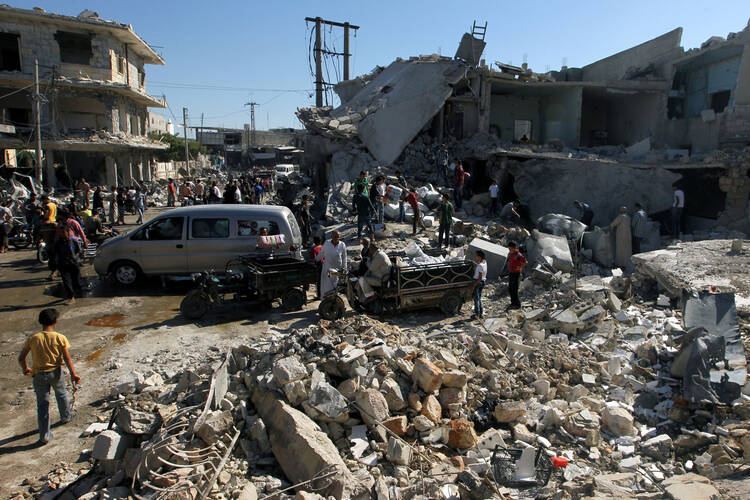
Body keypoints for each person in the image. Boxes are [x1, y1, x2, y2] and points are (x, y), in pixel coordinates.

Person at [17, 308, 80, 444]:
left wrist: (25, 369)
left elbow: (21, 358)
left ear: (41, 321)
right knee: (61, 394)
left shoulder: (33, 338)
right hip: (56, 373)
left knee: (43, 404)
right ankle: (65, 417)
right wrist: (73, 374)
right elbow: (67, 358)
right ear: (56, 320)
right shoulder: (60, 337)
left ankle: (44, 435)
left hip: (39, 375)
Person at [55, 230, 83, 303]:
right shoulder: (57, 243)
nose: (62, 234)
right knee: (66, 281)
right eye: (60, 233)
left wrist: (76, 259)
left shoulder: (73, 241)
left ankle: (79, 290)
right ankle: (71, 296)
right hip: (63, 264)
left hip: (73, 263)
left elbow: (78, 250)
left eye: (63, 232)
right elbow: (56, 253)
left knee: (76, 279)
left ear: (67, 232)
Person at [316, 230, 346, 297]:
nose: (337, 239)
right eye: (335, 237)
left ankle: (334, 300)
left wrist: (344, 268)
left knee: (335, 285)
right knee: (327, 285)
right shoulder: (327, 243)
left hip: (337, 269)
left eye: (338, 237)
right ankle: (326, 300)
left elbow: (344, 258)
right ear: (331, 237)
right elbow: (322, 253)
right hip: (327, 269)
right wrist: (316, 259)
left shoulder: (342, 245)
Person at [506, 241, 526, 310]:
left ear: (515, 248)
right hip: (511, 273)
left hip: (516, 273)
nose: (510, 250)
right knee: (510, 289)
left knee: (514, 289)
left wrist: (520, 267)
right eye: (509, 249)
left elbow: (525, 262)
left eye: (511, 249)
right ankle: (513, 303)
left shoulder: (518, 255)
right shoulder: (511, 254)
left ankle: (517, 304)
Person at [470, 250, 487, 319]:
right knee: (479, 298)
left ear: (479, 257)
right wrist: (475, 264)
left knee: (476, 299)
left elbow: (479, 278)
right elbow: (481, 268)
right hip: (482, 282)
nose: (476, 257)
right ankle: (481, 313)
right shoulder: (484, 262)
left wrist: (473, 286)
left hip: (478, 282)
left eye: (476, 256)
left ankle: (477, 314)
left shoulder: (480, 265)